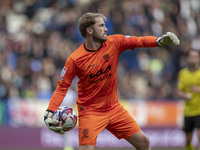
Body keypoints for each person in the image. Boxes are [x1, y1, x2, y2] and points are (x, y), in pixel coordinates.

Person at [44, 12, 180, 150]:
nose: (106, 29)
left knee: (143, 142)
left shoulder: (114, 42)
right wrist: (50, 111)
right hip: (90, 112)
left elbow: (138, 41)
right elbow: (62, 87)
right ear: (90, 30)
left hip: (114, 108)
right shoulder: (75, 59)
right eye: (101, 26)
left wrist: (159, 41)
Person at [177, 50, 200, 150]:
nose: (193, 59)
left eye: (196, 57)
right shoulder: (183, 74)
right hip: (188, 112)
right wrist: (185, 95)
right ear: (187, 58)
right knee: (188, 140)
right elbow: (178, 91)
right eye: (191, 57)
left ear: (199, 59)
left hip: (199, 111)